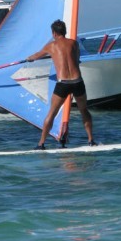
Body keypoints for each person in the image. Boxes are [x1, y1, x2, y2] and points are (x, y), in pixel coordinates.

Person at [26, 19, 96, 150]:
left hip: (63, 83)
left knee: (52, 113)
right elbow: (76, 58)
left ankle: (41, 144)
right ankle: (91, 140)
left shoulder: (51, 46)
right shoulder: (74, 44)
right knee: (84, 110)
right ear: (65, 31)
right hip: (77, 81)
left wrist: (29, 58)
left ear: (54, 33)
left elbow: (36, 56)